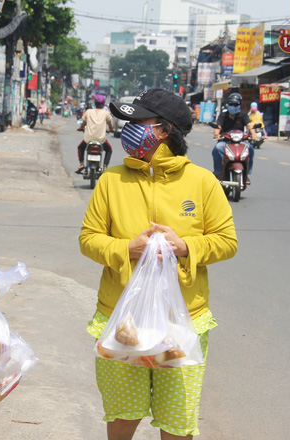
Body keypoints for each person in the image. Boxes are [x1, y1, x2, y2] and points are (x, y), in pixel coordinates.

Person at [79, 88, 237, 439]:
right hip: (122, 320)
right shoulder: (111, 180)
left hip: (182, 322)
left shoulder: (202, 182)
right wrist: (125, 249)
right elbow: (88, 239)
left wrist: (186, 246)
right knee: (121, 415)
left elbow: (227, 242)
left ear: (164, 131)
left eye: (139, 121)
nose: (130, 127)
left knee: (177, 422)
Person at [211, 92, 257, 185]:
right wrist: (217, 135)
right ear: (228, 104)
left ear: (240, 105)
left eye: (235, 104)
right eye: (231, 104)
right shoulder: (223, 115)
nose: (233, 106)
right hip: (226, 141)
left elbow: (249, 125)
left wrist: (253, 134)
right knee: (217, 148)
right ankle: (219, 172)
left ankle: (247, 173)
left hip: (240, 142)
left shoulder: (243, 115)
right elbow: (218, 126)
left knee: (250, 149)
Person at [75, 94, 114, 173]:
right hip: (101, 141)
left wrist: (80, 128)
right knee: (109, 150)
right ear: (103, 104)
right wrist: (111, 129)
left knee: (80, 147)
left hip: (88, 140)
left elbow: (83, 124)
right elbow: (110, 126)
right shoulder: (106, 113)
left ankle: (82, 164)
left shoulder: (88, 112)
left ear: (95, 103)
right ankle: (105, 166)